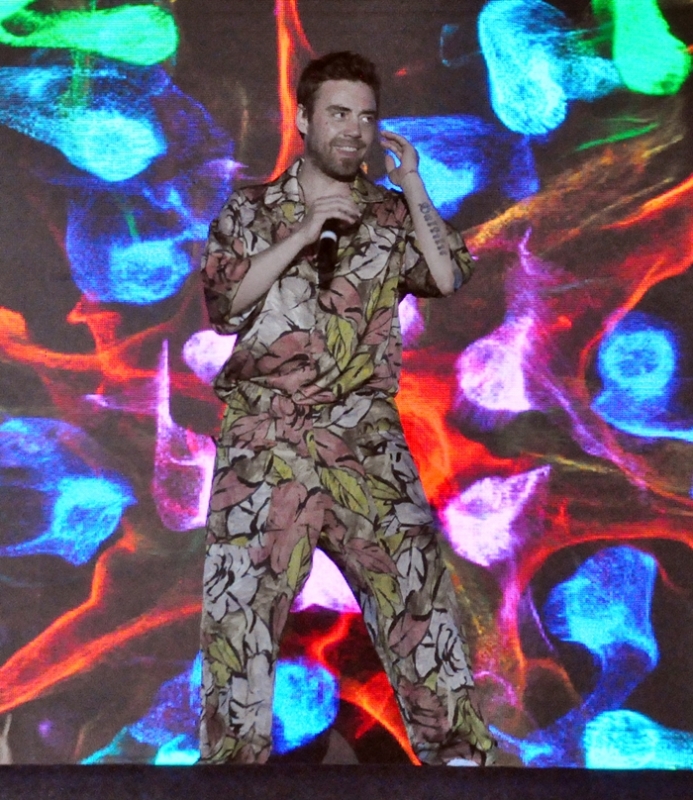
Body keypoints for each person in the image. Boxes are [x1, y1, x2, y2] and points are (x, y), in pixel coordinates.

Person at [199, 51, 495, 766]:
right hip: (265, 440)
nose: (354, 130)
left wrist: (412, 182)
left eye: (366, 117)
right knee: (239, 626)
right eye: (338, 113)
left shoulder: (389, 213)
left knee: (420, 611)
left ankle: (463, 768)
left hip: (364, 438)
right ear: (304, 119)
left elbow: (448, 274)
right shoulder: (250, 210)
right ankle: (230, 776)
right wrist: (303, 234)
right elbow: (224, 305)